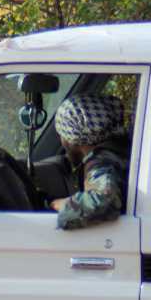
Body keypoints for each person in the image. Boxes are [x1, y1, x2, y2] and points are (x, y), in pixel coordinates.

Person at [50, 94, 131, 230]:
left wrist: (61, 205)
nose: (62, 141)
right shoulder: (119, 149)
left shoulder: (102, 162)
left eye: (62, 134)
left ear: (73, 137)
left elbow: (104, 202)